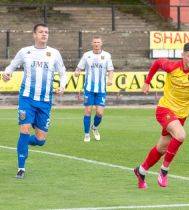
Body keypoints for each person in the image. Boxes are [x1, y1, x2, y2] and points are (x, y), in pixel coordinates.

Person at [133, 42, 189, 189]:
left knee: (161, 148)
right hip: (165, 109)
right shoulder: (172, 66)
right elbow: (157, 62)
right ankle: (164, 171)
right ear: (182, 55)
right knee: (181, 135)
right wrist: (147, 82)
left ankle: (141, 171)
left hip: (181, 115)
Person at [2, 23, 66, 179]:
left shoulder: (54, 53)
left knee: (40, 140)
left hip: (45, 101)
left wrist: (62, 86)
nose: (45, 34)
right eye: (41, 32)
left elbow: (62, 73)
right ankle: (21, 168)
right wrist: (6, 74)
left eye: (47, 32)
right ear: (34, 34)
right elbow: (11, 67)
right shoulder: (25, 52)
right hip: (27, 99)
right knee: (24, 129)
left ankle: (25, 143)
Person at [74, 36, 114, 142]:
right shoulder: (87, 55)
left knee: (100, 113)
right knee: (88, 110)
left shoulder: (106, 55)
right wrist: (77, 72)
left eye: (98, 42)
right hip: (89, 88)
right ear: (92, 43)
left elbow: (110, 70)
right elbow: (79, 67)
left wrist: (110, 79)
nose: (96, 44)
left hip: (101, 89)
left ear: (101, 43)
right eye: (95, 42)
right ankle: (87, 134)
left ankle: (95, 128)